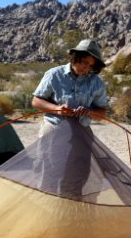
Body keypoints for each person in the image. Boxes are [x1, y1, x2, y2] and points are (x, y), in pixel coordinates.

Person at [31, 39, 108, 198]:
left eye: (90, 65)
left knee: (75, 176)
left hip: (81, 134)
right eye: (83, 62)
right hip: (53, 130)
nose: (85, 68)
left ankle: (71, 213)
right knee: (48, 173)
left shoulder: (96, 82)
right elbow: (36, 101)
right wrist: (57, 109)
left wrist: (88, 111)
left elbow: (102, 112)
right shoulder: (54, 75)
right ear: (74, 58)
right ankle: (47, 213)